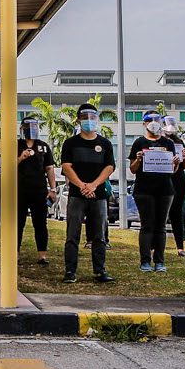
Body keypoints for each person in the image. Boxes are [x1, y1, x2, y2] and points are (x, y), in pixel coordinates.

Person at [60, 105, 116, 283]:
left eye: (92, 117)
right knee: (72, 235)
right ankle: (70, 271)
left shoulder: (105, 144)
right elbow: (66, 167)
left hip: (98, 196)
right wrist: (82, 186)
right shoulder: (70, 143)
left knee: (99, 236)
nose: (89, 121)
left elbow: (109, 167)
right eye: (85, 117)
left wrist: (93, 185)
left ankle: (100, 271)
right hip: (77, 196)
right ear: (78, 120)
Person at [128, 112, 184, 272]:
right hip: (144, 190)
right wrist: (138, 160)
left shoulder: (168, 143)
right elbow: (132, 169)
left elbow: (172, 171)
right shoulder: (139, 142)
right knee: (147, 226)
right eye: (149, 120)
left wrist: (175, 163)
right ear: (144, 124)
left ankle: (159, 261)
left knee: (160, 226)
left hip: (165, 190)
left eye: (156, 120)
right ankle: (145, 261)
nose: (153, 123)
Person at [16, 117, 55, 266]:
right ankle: (16, 253)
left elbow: (49, 168)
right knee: (18, 223)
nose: (31, 129)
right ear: (22, 128)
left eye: (34, 126)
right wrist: (21, 157)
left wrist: (52, 189)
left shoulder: (43, 147)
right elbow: (7, 166)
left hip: (39, 191)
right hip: (19, 190)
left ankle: (42, 255)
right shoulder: (16, 145)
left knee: (40, 223)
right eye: (27, 126)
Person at [162, 116, 185, 257]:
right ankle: (155, 246)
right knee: (159, 215)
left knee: (177, 215)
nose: (170, 127)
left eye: (172, 124)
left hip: (178, 182)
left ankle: (180, 246)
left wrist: (184, 158)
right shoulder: (157, 141)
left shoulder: (179, 142)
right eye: (167, 124)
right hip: (161, 181)